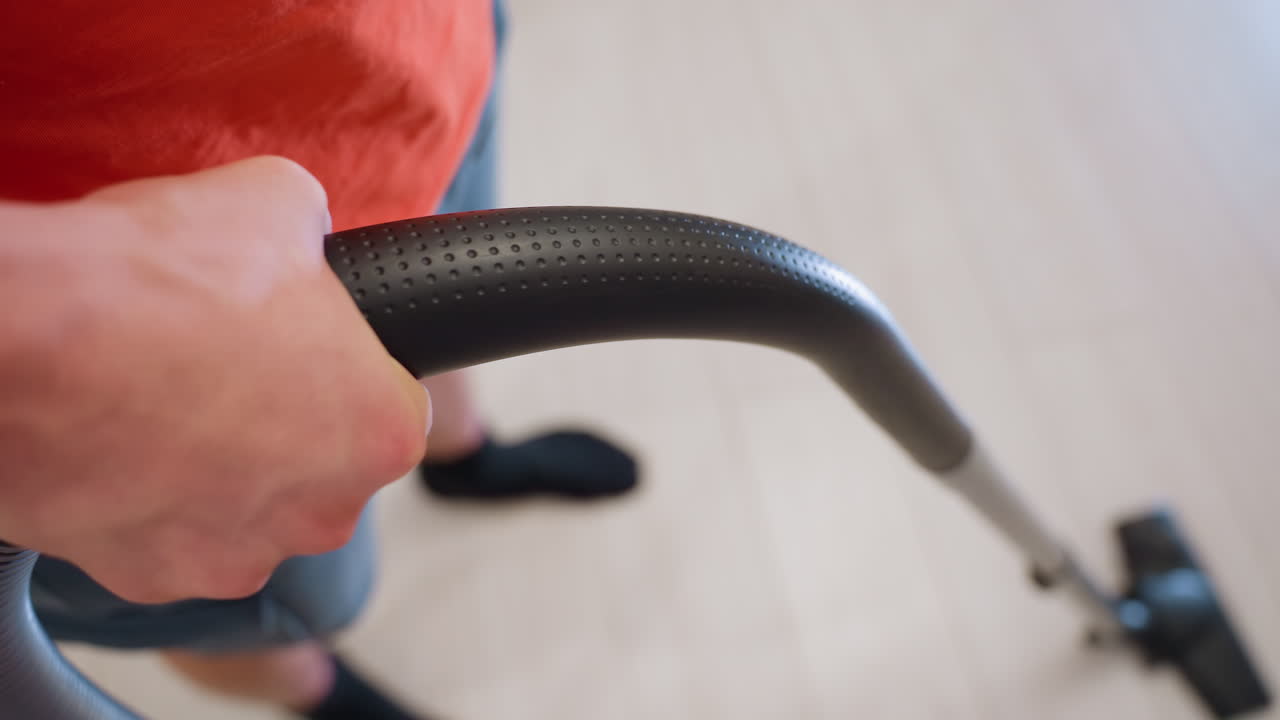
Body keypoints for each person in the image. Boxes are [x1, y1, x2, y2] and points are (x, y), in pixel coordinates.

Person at [0, 1, 638, 717]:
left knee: (457, 286)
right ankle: (319, 696)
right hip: (150, 334)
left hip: (413, 55)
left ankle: (461, 458)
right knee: (250, 614)